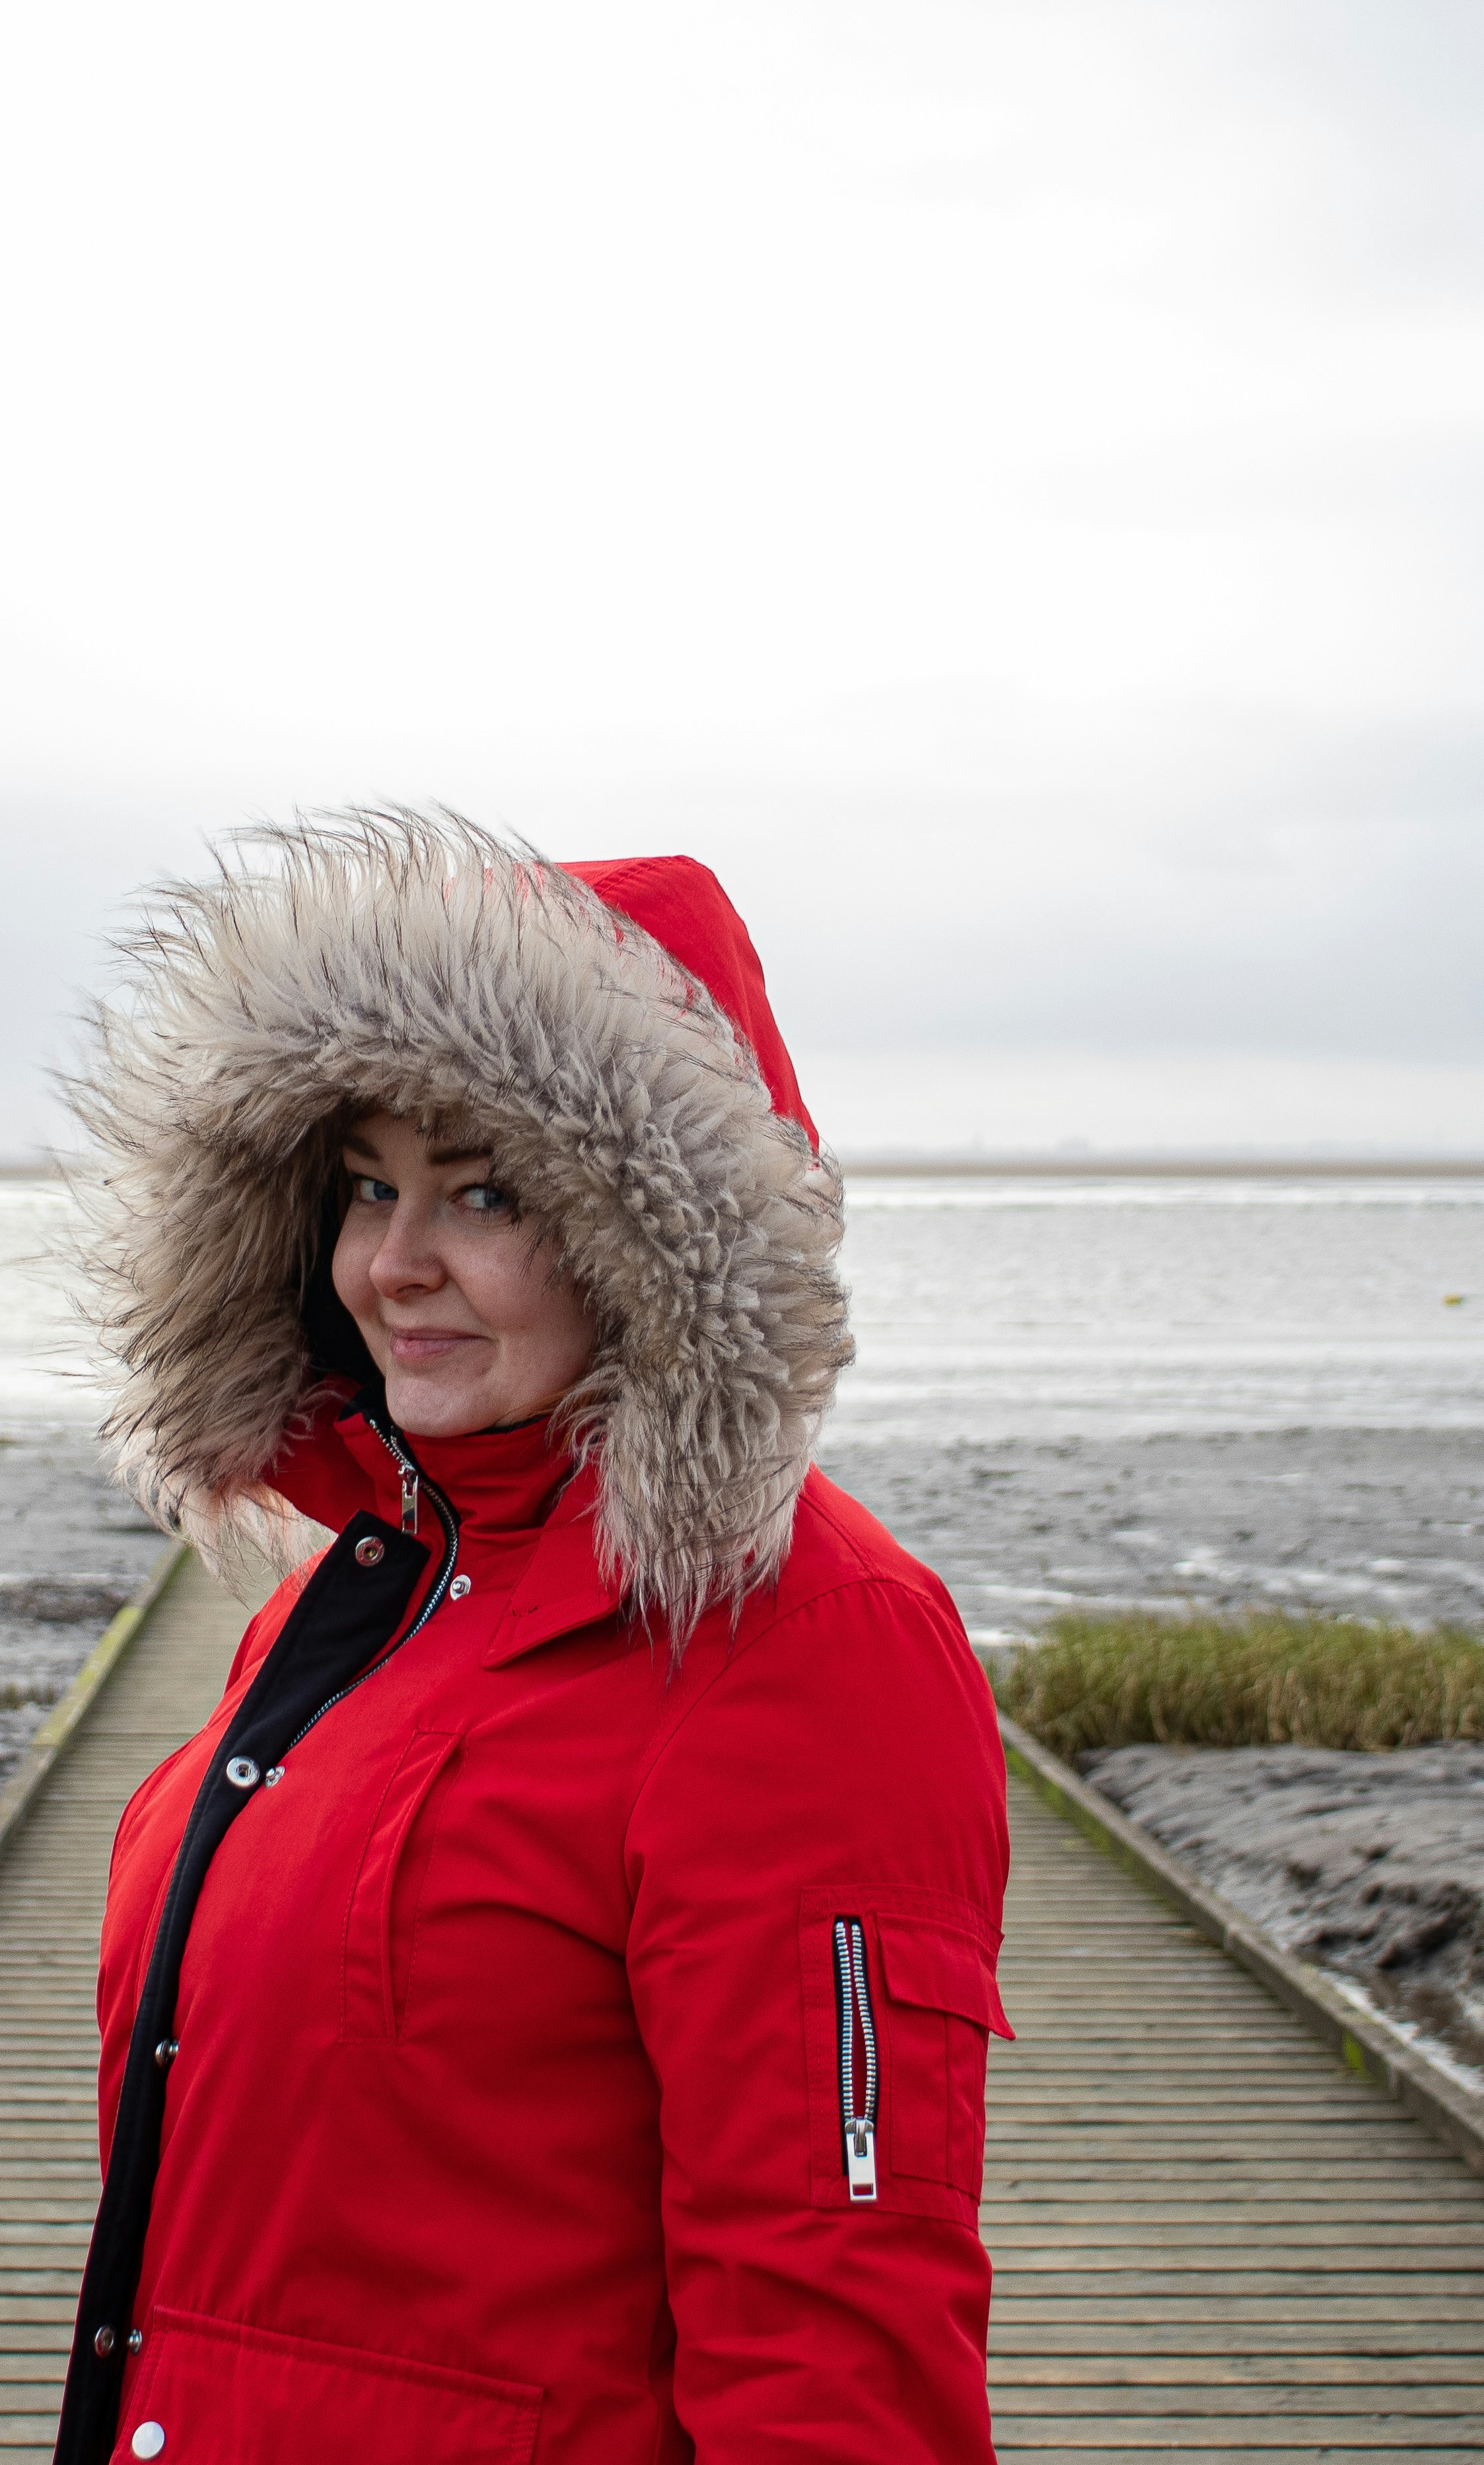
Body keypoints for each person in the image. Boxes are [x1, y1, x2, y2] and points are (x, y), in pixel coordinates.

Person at [56, 808, 1011, 2464]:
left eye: (483, 1193)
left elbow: (839, 2345)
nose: (395, 1265)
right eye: (365, 1187)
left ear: (653, 1242)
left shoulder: (807, 1646)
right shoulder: (348, 1602)